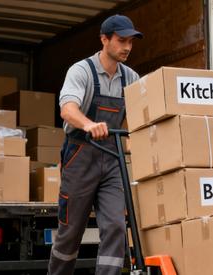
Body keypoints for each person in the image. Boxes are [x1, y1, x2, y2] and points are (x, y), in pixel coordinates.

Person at [48, 14, 143, 275]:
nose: (127, 47)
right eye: (121, 40)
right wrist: (88, 124)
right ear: (104, 39)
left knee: (115, 226)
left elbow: (142, 116)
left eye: (131, 42)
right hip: (80, 156)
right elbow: (67, 109)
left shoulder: (131, 77)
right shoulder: (81, 71)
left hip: (112, 160)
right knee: (70, 234)